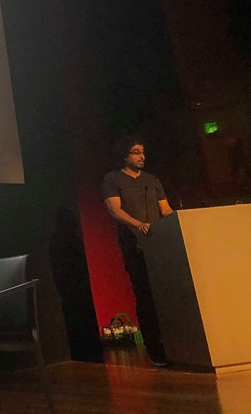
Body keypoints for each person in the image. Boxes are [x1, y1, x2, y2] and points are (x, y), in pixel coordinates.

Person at [102, 136, 174, 366]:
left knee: (167, 294)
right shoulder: (113, 179)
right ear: (124, 155)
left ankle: (175, 345)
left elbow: (166, 210)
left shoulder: (152, 181)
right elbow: (114, 209)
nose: (141, 156)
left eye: (142, 152)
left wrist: (180, 223)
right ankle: (155, 348)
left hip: (158, 247)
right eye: (135, 152)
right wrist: (137, 224)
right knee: (145, 296)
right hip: (134, 246)